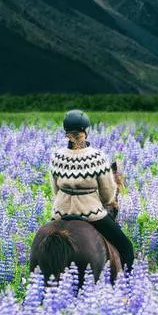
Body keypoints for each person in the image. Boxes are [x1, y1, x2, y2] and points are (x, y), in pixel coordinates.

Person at [50, 109, 134, 271]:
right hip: (91, 214)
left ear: (66, 132)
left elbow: (55, 190)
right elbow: (108, 194)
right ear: (86, 131)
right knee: (126, 248)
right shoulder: (96, 157)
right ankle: (126, 288)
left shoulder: (57, 157)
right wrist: (101, 201)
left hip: (60, 213)